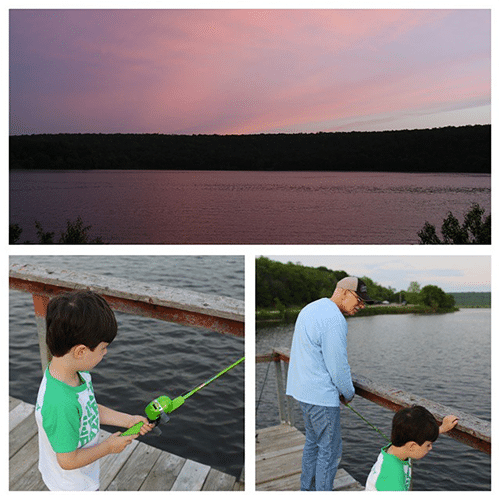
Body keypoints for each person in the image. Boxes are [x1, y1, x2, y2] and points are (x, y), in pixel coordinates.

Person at [35, 290, 155, 491]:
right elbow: (67, 460)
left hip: (83, 477)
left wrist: (127, 420)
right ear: (81, 351)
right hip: (70, 486)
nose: (105, 352)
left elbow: (88, 408)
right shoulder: (60, 403)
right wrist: (108, 447)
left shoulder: (74, 374)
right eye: (102, 348)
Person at [286, 276, 373, 491]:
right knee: (329, 451)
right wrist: (348, 393)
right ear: (344, 292)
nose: (361, 306)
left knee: (313, 445)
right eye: (358, 300)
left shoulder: (312, 308)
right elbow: (338, 366)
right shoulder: (334, 319)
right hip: (321, 397)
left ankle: (306, 489)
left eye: (363, 302)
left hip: (302, 392)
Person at [365, 405, 459, 491]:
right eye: (428, 445)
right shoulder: (392, 479)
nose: (430, 448)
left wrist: (442, 428)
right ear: (412, 446)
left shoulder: (395, 448)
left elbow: (417, 435)